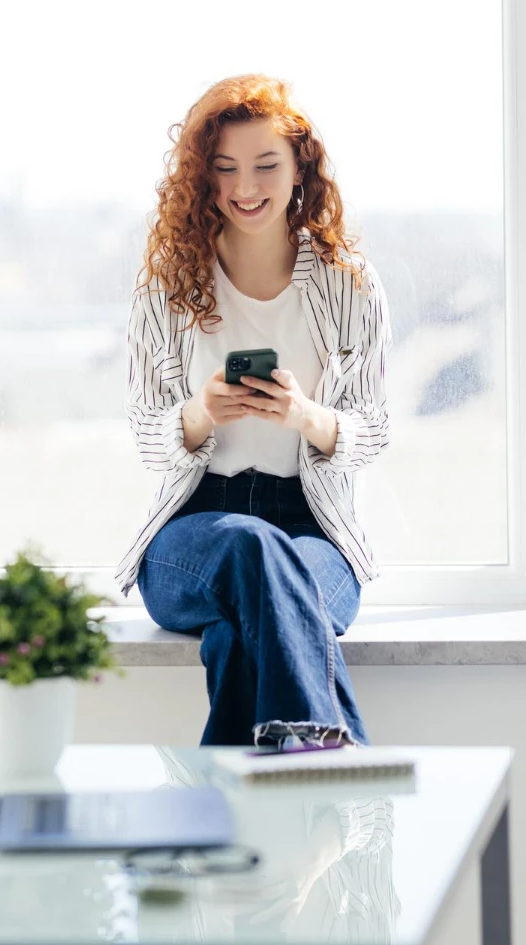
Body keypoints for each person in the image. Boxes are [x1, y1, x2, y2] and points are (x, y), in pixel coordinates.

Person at [114, 74, 393, 749]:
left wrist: (307, 417)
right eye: (226, 168)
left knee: (239, 635)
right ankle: (335, 759)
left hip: (312, 531)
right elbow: (149, 440)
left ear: (300, 169)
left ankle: (228, 819)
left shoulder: (348, 282)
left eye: (267, 165)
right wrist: (200, 413)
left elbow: (375, 428)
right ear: (203, 179)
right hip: (198, 534)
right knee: (249, 544)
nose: (247, 186)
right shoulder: (167, 284)